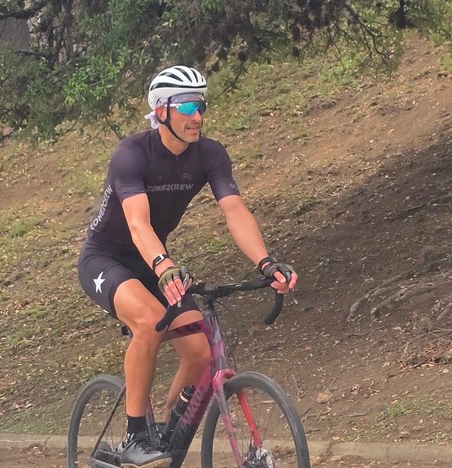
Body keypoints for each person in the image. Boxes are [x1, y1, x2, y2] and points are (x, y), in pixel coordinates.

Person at [77, 65, 298, 468]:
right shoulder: (132, 154)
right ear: (161, 110)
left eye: (201, 106)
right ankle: (134, 435)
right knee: (149, 321)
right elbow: (137, 223)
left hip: (154, 262)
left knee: (199, 351)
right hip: (106, 259)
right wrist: (164, 265)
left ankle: (167, 436)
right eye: (187, 107)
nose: (197, 116)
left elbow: (234, 211)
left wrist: (265, 262)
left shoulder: (209, 154)